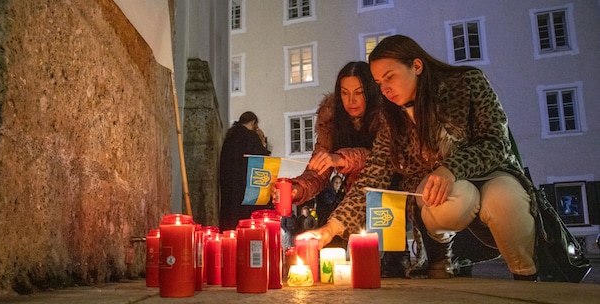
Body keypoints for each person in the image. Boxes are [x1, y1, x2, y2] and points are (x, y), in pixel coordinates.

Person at [298, 35, 539, 281]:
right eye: (379, 83)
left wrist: (451, 169)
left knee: (504, 201)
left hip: (491, 173)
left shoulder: (466, 84)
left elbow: (496, 142)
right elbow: (374, 175)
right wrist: (332, 228)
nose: (385, 89)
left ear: (416, 66)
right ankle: (446, 251)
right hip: (449, 191)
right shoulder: (393, 118)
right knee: (443, 199)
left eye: (390, 77)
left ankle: (526, 275)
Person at [288, 61, 387, 246]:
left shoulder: (386, 115)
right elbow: (318, 169)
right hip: (352, 196)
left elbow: (379, 158)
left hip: (388, 190)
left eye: (359, 92)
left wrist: (340, 159)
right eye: (345, 92)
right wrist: (298, 188)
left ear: (371, 91)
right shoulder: (331, 120)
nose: (351, 100)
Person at [219, 111, 272, 231]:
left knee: (230, 222)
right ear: (253, 122)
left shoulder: (229, 138)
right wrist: (263, 144)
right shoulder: (250, 137)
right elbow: (262, 161)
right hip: (247, 192)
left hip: (229, 190)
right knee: (246, 224)